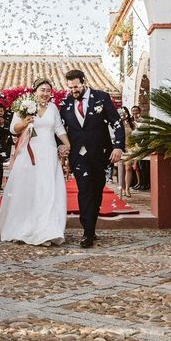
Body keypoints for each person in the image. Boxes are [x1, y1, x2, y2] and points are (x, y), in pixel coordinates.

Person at [0, 78, 71, 245]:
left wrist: (67, 144)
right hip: (29, 153)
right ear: (35, 91)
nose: (45, 93)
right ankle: (24, 227)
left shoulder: (53, 108)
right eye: (42, 90)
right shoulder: (24, 105)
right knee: (28, 188)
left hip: (49, 153)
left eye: (48, 91)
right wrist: (24, 122)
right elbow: (13, 129)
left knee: (47, 190)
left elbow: (59, 129)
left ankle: (46, 230)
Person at [61, 69, 124, 248]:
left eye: (76, 86)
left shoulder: (101, 98)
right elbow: (61, 129)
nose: (73, 90)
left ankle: (91, 227)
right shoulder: (65, 103)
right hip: (78, 157)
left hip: (99, 153)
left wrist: (118, 146)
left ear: (84, 82)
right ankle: (87, 232)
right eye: (70, 87)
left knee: (96, 192)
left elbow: (117, 123)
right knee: (85, 191)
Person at [130, 105, 149, 191]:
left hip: (142, 145)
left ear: (139, 112)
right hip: (135, 146)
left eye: (136, 111)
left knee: (143, 166)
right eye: (133, 111)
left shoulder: (143, 121)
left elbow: (144, 132)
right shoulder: (131, 121)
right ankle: (140, 183)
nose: (135, 112)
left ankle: (145, 184)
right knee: (137, 166)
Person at [118, 106, 136, 198]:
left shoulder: (132, 124)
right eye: (121, 112)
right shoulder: (117, 124)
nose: (123, 114)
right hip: (120, 148)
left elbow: (136, 136)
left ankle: (128, 188)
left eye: (125, 112)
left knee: (128, 168)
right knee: (121, 169)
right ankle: (123, 188)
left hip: (130, 148)